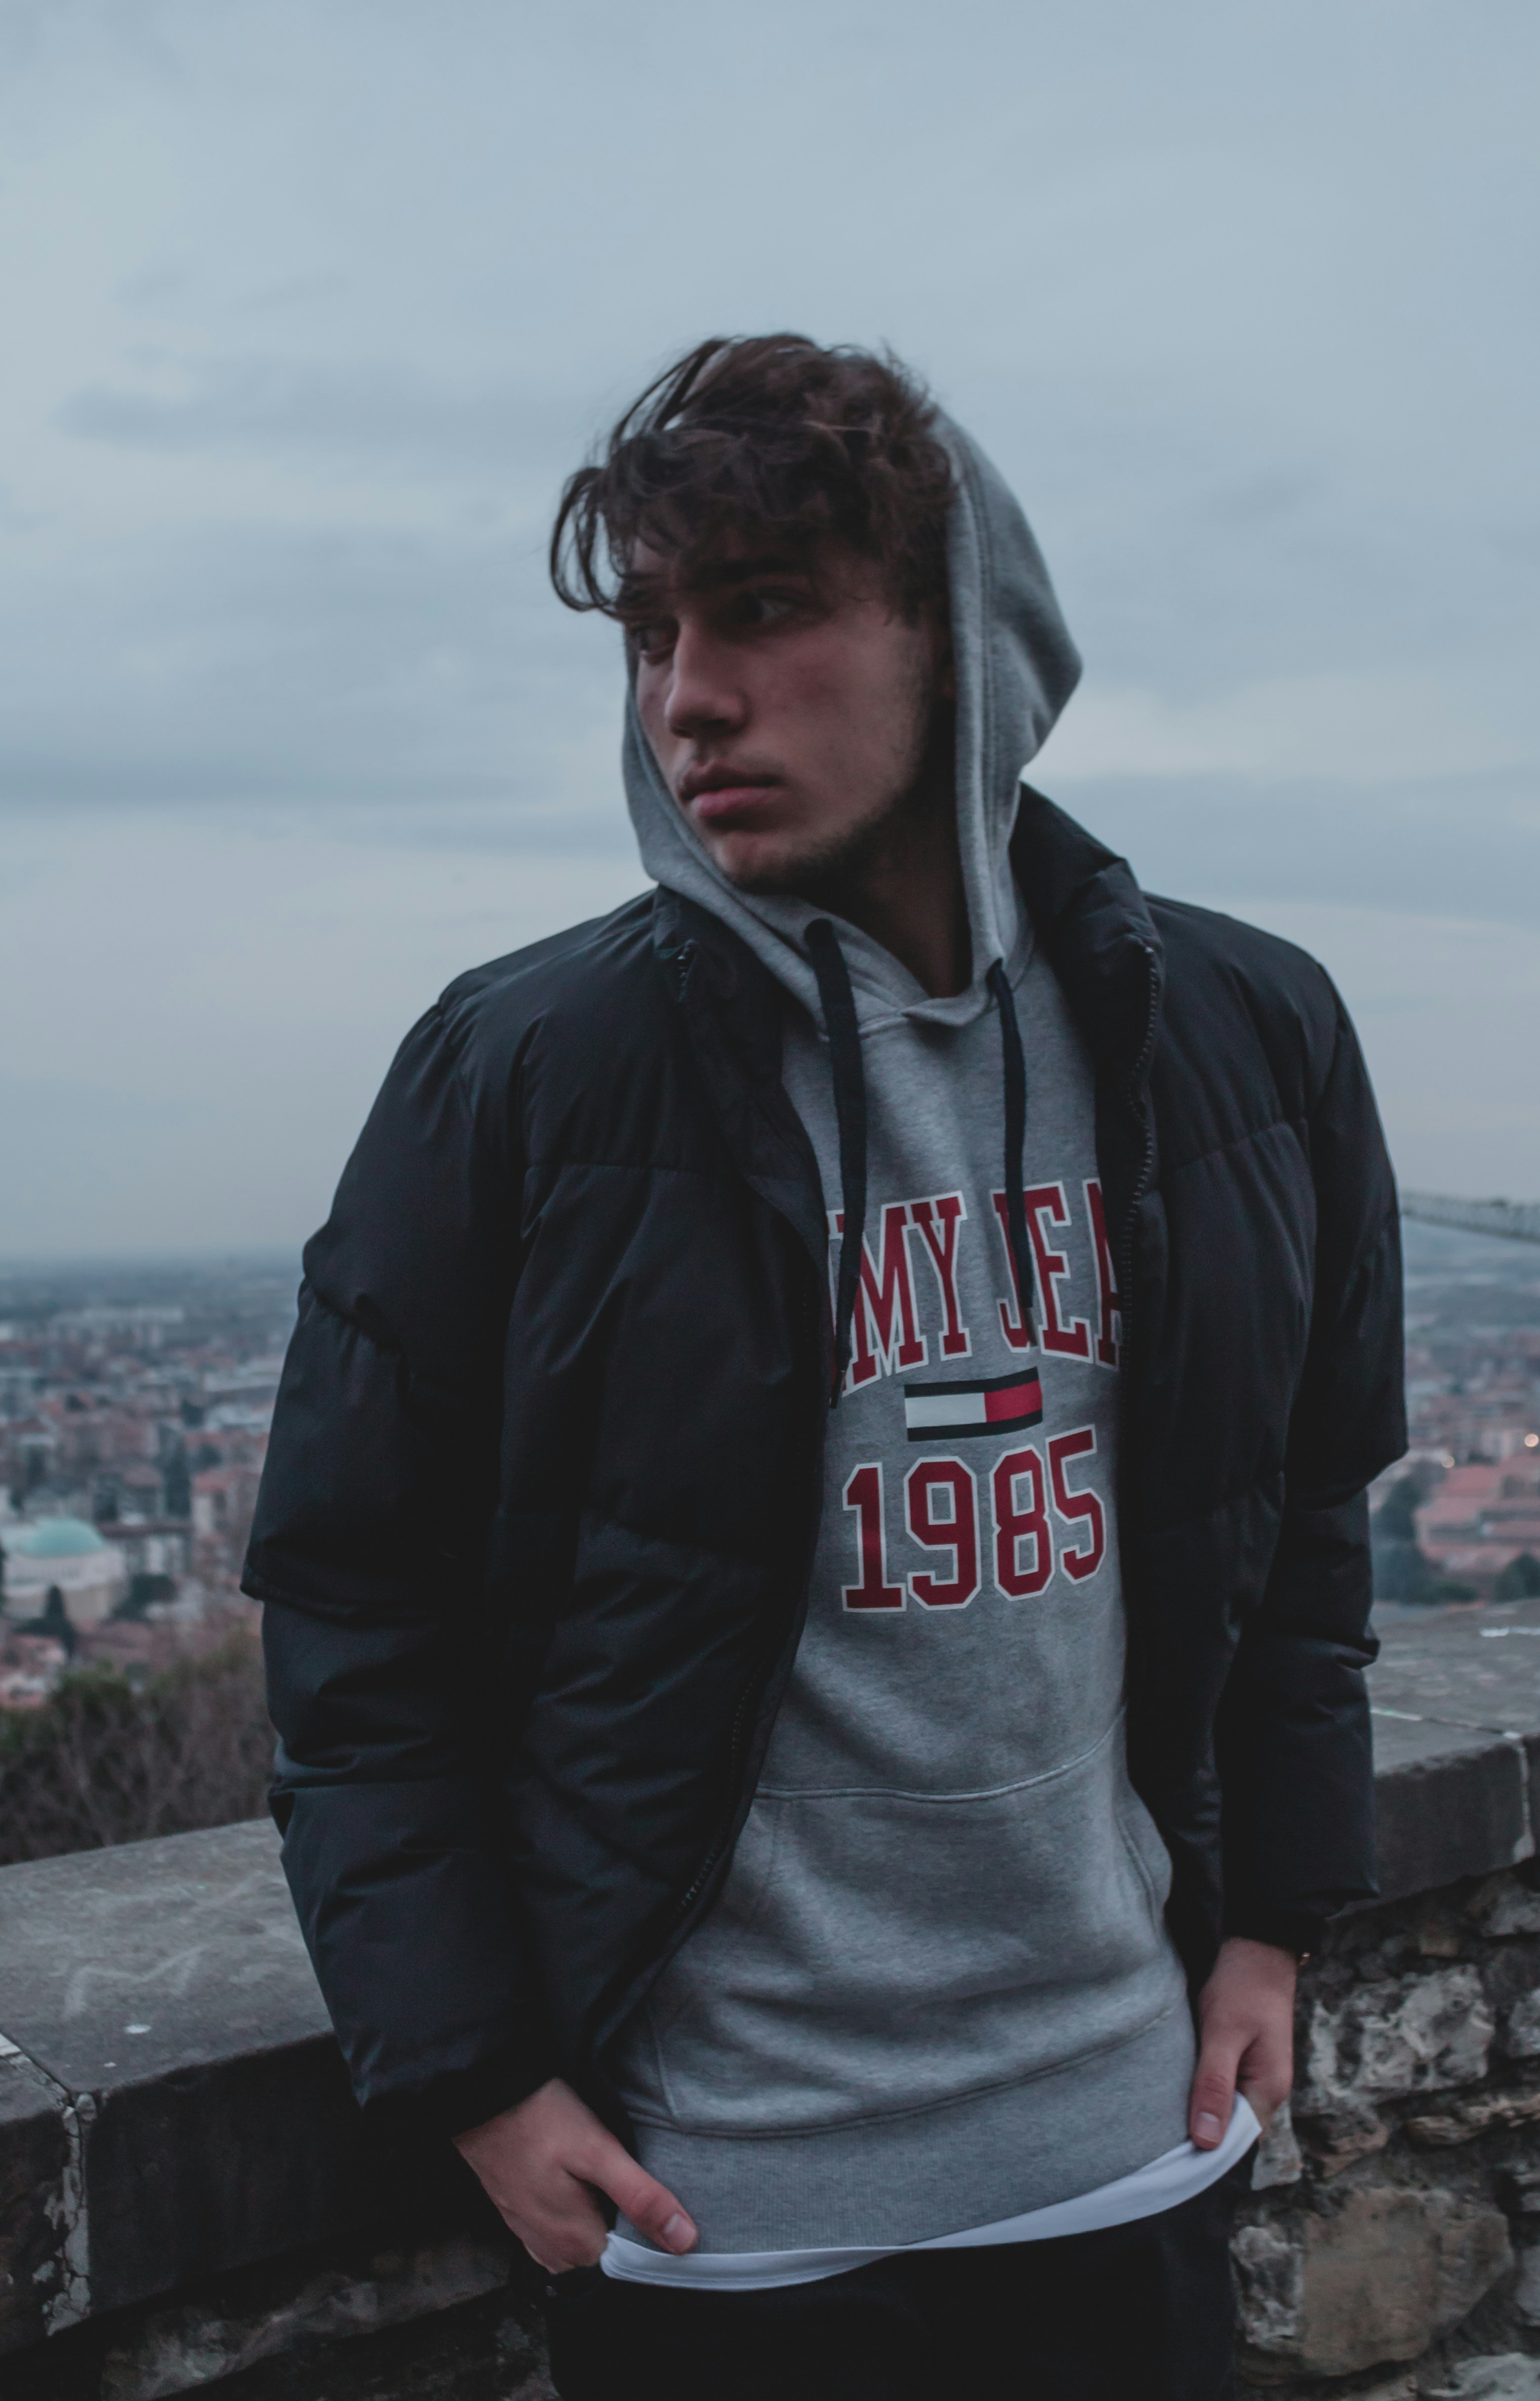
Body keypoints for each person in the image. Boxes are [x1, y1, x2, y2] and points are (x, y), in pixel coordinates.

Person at [244, 336, 1406, 2400]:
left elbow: (1304, 1523)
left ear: (966, 637)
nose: (687, 693)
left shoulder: (1246, 1034)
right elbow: (356, 1612)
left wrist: (1271, 1922)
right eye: (650, 634)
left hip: (1114, 2155)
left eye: (766, 610)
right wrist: (480, 2074)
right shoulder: (523, 1074)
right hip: (717, 2215)